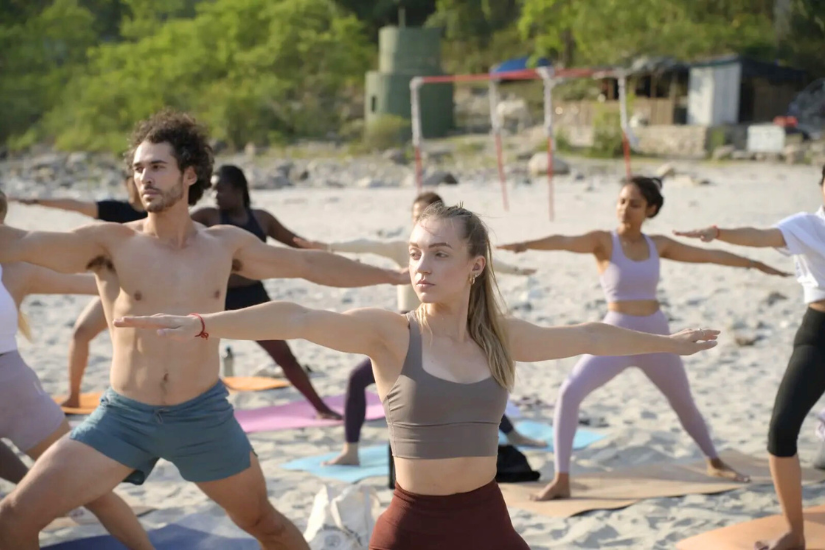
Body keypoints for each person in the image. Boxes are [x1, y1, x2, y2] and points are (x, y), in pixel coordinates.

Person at [116, 202, 721, 550]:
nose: (421, 266)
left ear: (475, 266)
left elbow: (591, 334)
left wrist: (668, 343)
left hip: (487, 521)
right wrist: (201, 323)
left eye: (438, 254)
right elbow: (298, 316)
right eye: (413, 254)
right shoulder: (391, 332)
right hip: (412, 528)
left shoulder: (501, 337)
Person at [0, 110, 407, 550]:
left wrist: (390, 277)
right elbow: (18, 243)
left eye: (157, 166)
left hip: (201, 416)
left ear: (189, 174)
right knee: (15, 517)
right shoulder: (111, 243)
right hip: (123, 419)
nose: (144, 178)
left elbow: (307, 265)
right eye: (138, 168)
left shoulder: (223, 245)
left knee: (264, 523)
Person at [498, 176, 789, 501]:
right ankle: (562, 478)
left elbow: (707, 256)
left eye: (634, 204)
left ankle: (715, 461)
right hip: (615, 337)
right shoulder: (602, 241)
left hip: (658, 337)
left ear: (650, 209)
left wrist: (754, 263)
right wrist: (527, 244)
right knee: (569, 393)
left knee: (683, 402)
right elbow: (564, 240)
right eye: (621, 201)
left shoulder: (658, 244)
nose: (624, 209)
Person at [297, 191, 545, 466]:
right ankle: (350, 449)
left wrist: (521, 272)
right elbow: (367, 245)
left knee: (474, 379)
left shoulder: (454, 251)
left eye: (425, 214)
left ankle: (512, 433)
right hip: (408, 332)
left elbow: (488, 264)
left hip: (448, 327)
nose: (420, 220)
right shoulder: (402, 247)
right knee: (361, 379)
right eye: (416, 215)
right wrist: (327, 246)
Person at [674, 164, 825, 550]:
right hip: (818, 336)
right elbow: (763, 235)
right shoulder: (810, 225)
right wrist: (720, 232)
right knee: (781, 429)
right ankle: (794, 533)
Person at [0, 190, 152, 549]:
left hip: (15, 392)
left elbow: (91, 284)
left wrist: (150, 287)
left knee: (89, 489)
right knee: (24, 507)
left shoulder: (16, 267)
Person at [191, 165, 339, 419]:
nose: (215, 196)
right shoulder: (208, 217)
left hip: (253, 297)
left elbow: (296, 243)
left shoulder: (261, 219)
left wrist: (329, 252)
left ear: (238, 190)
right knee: (192, 356)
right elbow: (170, 231)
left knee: (285, 357)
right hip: (216, 298)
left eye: (220, 190)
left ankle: (321, 408)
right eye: (213, 190)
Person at [12, 177, 146, 409]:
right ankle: (74, 395)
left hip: (150, 292)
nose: (143, 181)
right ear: (127, 182)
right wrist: (35, 200)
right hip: (115, 289)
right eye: (136, 174)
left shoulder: (158, 217)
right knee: (81, 333)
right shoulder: (116, 210)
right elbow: (76, 205)